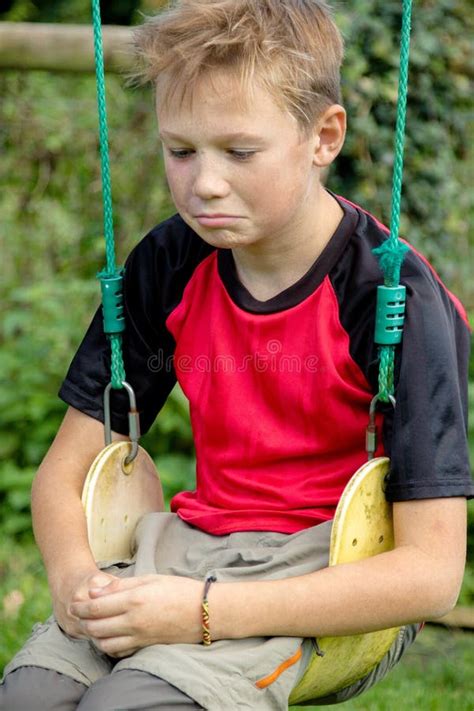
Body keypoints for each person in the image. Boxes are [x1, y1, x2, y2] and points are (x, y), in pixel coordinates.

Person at [1, 1, 472, 709]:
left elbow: (432, 575)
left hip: (327, 566)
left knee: (124, 703)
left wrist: (202, 612)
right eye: (180, 150)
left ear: (324, 136)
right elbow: (60, 479)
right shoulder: (170, 261)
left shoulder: (392, 296)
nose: (205, 184)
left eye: (239, 151)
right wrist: (75, 583)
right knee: (33, 694)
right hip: (188, 547)